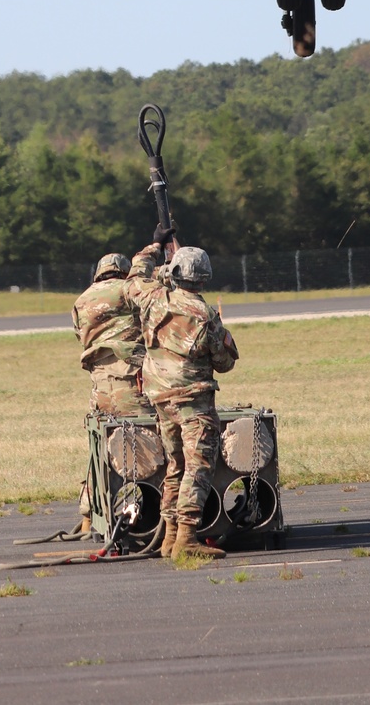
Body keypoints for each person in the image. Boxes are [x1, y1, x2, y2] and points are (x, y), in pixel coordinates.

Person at [126, 229, 238, 561]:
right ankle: (187, 537)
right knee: (198, 467)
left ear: (175, 273)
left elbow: (135, 275)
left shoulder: (154, 299)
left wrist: (155, 246)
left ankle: (170, 538)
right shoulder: (205, 316)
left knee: (175, 466)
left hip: (161, 400)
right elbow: (225, 363)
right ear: (204, 279)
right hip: (193, 403)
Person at [71, 254, 155, 419]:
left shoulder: (80, 300)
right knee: (145, 438)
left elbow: (80, 337)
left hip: (100, 389)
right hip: (132, 384)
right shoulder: (127, 289)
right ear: (125, 272)